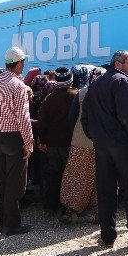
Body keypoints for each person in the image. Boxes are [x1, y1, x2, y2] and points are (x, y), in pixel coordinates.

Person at [81, 51, 128, 248]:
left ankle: (107, 235)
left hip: (102, 146)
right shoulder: (122, 82)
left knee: (106, 190)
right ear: (118, 64)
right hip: (123, 144)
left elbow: (84, 117)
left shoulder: (95, 83)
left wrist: (94, 136)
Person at [0, 47, 35, 235]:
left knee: (2, 182)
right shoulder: (18, 85)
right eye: (23, 62)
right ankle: (11, 225)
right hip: (14, 137)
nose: (24, 65)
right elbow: (23, 116)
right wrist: (29, 142)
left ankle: (1, 221)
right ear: (19, 63)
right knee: (15, 184)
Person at [59, 65, 100, 223]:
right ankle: (100, 212)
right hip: (103, 142)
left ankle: (71, 211)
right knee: (101, 177)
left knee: (77, 176)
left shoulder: (82, 93)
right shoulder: (109, 93)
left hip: (81, 140)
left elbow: (72, 118)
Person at [37, 66, 75, 211]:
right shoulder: (76, 96)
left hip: (52, 144)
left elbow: (42, 122)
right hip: (70, 142)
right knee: (70, 173)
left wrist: (43, 140)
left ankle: (52, 205)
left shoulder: (49, 99)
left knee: (53, 174)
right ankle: (69, 206)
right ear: (70, 79)